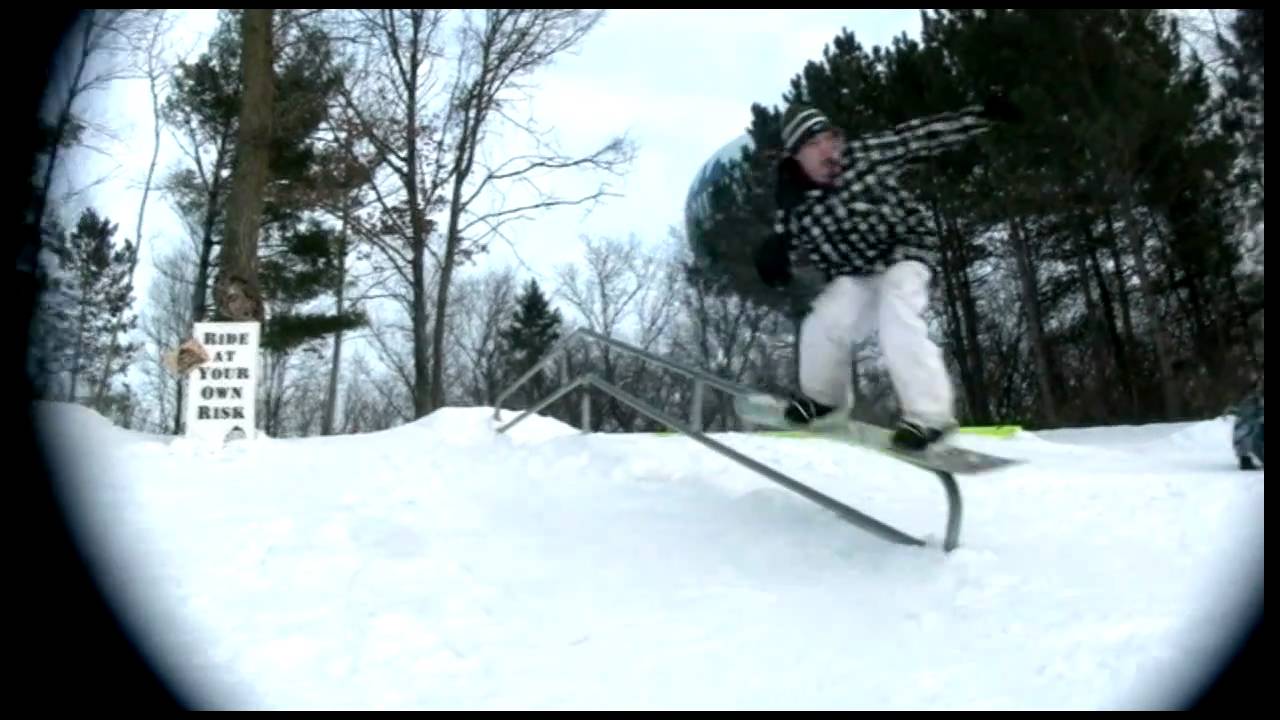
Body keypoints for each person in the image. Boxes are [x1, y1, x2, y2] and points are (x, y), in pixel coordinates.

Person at [753, 93, 1021, 451]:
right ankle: (823, 400)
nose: (827, 153)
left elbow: (920, 136)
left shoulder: (865, 156)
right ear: (796, 157)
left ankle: (930, 417)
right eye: (813, 146)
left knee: (897, 315)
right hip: (855, 273)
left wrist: (980, 115)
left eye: (828, 141)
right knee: (824, 321)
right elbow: (785, 241)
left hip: (904, 254)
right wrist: (775, 253)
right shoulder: (791, 201)